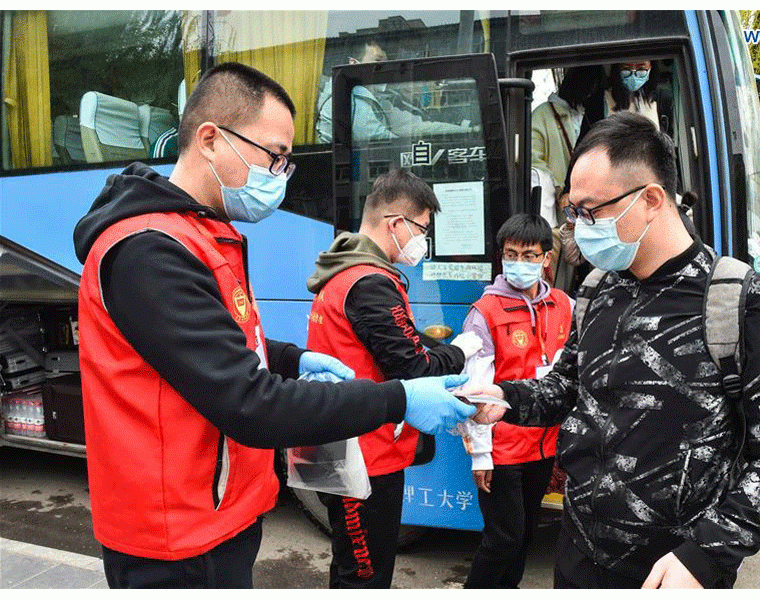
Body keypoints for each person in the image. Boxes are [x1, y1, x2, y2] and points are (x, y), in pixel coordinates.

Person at [72, 62, 475, 589]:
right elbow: (250, 403)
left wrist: (290, 358)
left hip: (217, 515)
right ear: (211, 140)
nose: (282, 174)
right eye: (275, 156)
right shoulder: (150, 250)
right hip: (174, 538)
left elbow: (221, 344)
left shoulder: (201, 234)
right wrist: (398, 399)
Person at [472, 112, 760, 589]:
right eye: (573, 212)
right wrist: (507, 399)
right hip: (578, 553)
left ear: (651, 199)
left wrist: (707, 553)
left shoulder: (743, 301)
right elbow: (569, 386)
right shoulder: (597, 289)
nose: (577, 227)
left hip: (672, 572)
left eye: (590, 212)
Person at [305, 167, 483, 588]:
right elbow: (414, 370)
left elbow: (395, 346)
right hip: (361, 457)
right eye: (422, 228)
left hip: (343, 442)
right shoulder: (369, 283)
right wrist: (461, 351)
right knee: (364, 573)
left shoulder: (344, 270)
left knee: (353, 562)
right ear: (397, 223)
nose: (423, 240)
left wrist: (437, 347)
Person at [459, 214, 573, 589]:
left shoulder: (563, 306)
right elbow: (474, 390)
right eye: (511, 254)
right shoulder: (484, 313)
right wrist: (480, 455)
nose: (519, 263)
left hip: (543, 446)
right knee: (502, 540)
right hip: (503, 449)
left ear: (546, 259)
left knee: (523, 538)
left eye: (529, 255)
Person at [531, 65, 602, 229]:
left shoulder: (589, 114)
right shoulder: (543, 115)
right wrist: (559, 188)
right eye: (588, 89)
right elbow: (535, 164)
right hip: (559, 206)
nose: (590, 95)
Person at [315, 38, 395, 143]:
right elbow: (378, 137)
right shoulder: (351, 98)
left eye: (386, 63)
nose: (384, 69)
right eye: (378, 61)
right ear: (354, 63)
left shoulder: (347, 91)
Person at [604, 60, 661, 130]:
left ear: (651, 66)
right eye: (626, 69)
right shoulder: (607, 97)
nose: (633, 76)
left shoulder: (652, 98)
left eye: (641, 69)